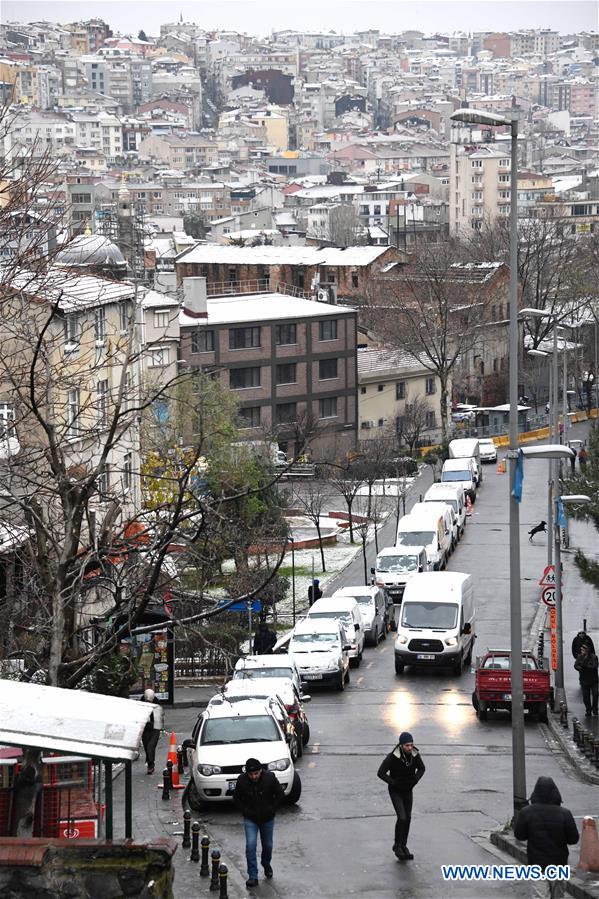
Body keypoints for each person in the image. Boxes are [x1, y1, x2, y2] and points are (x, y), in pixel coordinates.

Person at [514, 776, 579, 899]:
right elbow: (573, 839)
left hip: (537, 864)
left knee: (540, 895)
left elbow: (519, 836)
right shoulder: (565, 813)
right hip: (559, 864)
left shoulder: (526, 812)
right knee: (558, 895)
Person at [233, 757, 285, 888]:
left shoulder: (270, 778)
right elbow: (236, 798)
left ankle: (266, 864)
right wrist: (245, 811)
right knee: (250, 845)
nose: (253, 777)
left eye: (256, 773)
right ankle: (253, 876)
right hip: (250, 818)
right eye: (251, 774)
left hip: (267, 818)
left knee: (267, 845)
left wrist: (272, 809)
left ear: (260, 771)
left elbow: (279, 794)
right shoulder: (242, 780)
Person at [377, 731, 425, 861]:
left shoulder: (414, 754)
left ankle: (404, 846)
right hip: (395, 790)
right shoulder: (393, 757)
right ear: (401, 745)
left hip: (408, 789)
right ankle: (397, 845)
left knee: (408, 818)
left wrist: (415, 780)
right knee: (402, 817)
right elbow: (380, 773)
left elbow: (422, 769)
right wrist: (394, 783)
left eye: (411, 744)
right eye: (407, 745)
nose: (410, 748)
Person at [141, 688, 164, 775]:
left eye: (150, 702)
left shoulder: (157, 704)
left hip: (155, 728)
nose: (148, 703)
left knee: (151, 746)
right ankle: (150, 762)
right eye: (147, 701)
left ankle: (151, 765)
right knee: (146, 746)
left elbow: (159, 718)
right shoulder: (141, 702)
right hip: (145, 728)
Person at [574, 644, 599, 717]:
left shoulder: (594, 657)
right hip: (584, 680)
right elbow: (576, 665)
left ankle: (595, 709)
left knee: (595, 695)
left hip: (593, 679)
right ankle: (588, 710)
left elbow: (594, 666)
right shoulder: (579, 657)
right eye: (581, 650)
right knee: (586, 696)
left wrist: (584, 666)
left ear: (587, 650)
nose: (581, 651)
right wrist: (581, 668)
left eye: (583, 650)